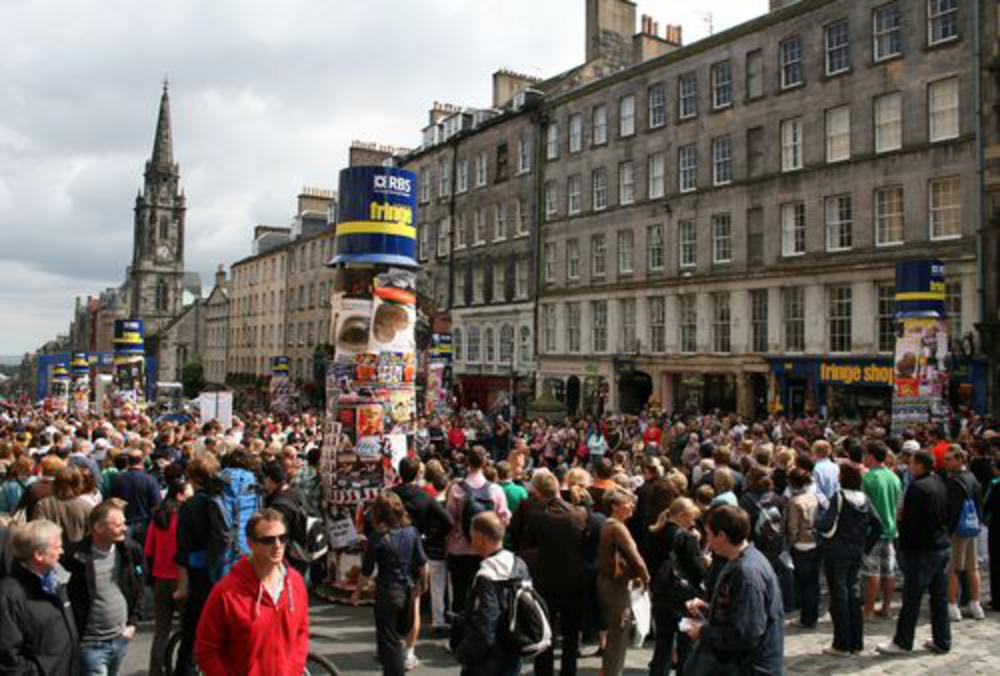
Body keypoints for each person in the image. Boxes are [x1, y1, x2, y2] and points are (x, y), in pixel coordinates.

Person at [194, 509, 309, 676]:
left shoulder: (295, 582)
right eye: (268, 540)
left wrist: (295, 669)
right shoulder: (225, 592)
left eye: (282, 538)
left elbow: (301, 632)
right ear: (250, 544)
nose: (278, 545)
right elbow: (206, 651)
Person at [682, 505, 784, 675]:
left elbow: (745, 633)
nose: (707, 539)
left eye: (709, 534)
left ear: (721, 536)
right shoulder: (739, 561)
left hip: (751, 667)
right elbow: (738, 611)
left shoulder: (747, 572)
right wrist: (708, 610)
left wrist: (702, 632)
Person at [510, 469, 588, 676]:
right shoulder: (580, 514)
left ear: (536, 492)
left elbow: (524, 544)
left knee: (544, 636)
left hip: (545, 582)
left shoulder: (536, 517)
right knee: (571, 638)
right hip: (573, 583)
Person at [878, 448, 952, 655]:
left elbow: (909, 521)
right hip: (940, 546)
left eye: (911, 463)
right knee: (939, 597)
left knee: (912, 598)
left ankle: (903, 641)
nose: (909, 466)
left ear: (920, 465)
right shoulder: (939, 483)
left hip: (922, 549)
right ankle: (942, 639)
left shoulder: (917, 488)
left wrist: (904, 544)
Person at [65, 498, 144, 676]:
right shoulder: (75, 557)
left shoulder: (130, 550)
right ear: (99, 528)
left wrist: (133, 623)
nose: (125, 528)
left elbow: (138, 586)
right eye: (118, 525)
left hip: (120, 639)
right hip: (90, 645)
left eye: (124, 523)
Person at [354, 491, 429, 674]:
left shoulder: (376, 539)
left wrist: (357, 592)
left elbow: (366, 571)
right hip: (408, 589)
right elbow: (423, 564)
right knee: (398, 636)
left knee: (390, 641)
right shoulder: (412, 532)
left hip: (387, 592)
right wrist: (423, 586)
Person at [814, 462, 883, 656]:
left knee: (839, 597)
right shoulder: (865, 499)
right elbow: (878, 526)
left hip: (837, 552)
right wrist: (865, 547)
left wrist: (816, 521)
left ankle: (842, 643)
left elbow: (826, 523)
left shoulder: (839, 497)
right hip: (855, 552)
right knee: (853, 595)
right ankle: (856, 642)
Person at [172, 453, 230, 676]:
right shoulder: (227, 499)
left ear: (193, 478)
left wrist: (182, 585)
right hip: (229, 568)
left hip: (201, 574)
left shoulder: (190, 506)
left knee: (192, 632)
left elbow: (183, 550)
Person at [0, 519, 80, 674]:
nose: (62, 552)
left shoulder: (56, 581)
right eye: (57, 547)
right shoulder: (9, 594)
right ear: (38, 554)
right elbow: (7, 656)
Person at [454, 511, 529, 676]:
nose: (471, 541)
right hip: (513, 651)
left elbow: (485, 625)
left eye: (472, 536)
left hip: (488, 661)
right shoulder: (519, 563)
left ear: (481, 538)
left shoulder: (486, 575)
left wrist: (464, 653)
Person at [391, 458, 454, 644]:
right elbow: (448, 522)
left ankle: (395, 641)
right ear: (418, 473)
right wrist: (429, 537)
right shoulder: (425, 497)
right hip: (416, 548)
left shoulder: (391, 494)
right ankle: (408, 648)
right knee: (414, 598)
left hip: (393, 548)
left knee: (394, 595)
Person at [445, 446, 510, 614]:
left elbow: (450, 520)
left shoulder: (456, 489)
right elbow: (504, 519)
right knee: (486, 598)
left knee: (460, 595)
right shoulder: (496, 490)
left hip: (460, 549)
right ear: (485, 463)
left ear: (467, 462)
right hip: (488, 551)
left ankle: (461, 633)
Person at [648, 497, 706, 676]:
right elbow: (698, 570)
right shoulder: (686, 537)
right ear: (681, 516)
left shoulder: (656, 531)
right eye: (691, 517)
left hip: (661, 595)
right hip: (684, 599)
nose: (693, 522)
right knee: (686, 647)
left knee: (663, 646)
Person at [596, 488, 650, 676]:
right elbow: (637, 559)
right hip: (616, 586)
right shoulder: (617, 527)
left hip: (607, 582)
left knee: (616, 631)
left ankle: (608, 671)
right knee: (619, 633)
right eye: (627, 502)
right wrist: (646, 578)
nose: (631, 505)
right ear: (615, 506)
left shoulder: (609, 524)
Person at [145, 479, 192, 676]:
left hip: (161, 578)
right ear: (180, 495)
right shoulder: (185, 518)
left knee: (161, 630)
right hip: (182, 577)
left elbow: (149, 549)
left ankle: (156, 670)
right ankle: (185, 667)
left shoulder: (158, 517)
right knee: (188, 629)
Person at [943, 446, 985, 620]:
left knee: (952, 568)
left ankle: (952, 606)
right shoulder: (972, 478)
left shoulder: (954, 481)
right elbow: (979, 504)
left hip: (957, 530)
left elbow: (951, 509)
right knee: (972, 567)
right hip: (972, 526)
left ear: (960, 459)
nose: (945, 462)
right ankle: (975, 604)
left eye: (949, 459)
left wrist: (947, 529)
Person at [861, 440, 901, 620]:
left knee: (872, 573)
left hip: (873, 531)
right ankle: (886, 608)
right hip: (891, 529)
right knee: (889, 571)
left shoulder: (868, 478)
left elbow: (862, 506)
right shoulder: (894, 477)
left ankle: (868, 611)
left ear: (871, 455)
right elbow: (899, 505)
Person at [784, 467, 820, 628]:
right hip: (815, 542)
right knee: (813, 581)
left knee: (804, 583)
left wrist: (789, 544)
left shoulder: (794, 501)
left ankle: (806, 617)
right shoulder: (813, 497)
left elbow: (792, 527)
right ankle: (813, 614)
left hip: (801, 544)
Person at [108, 449, 161, 547]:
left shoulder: (117, 479)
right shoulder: (150, 480)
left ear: (127, 462)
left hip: (123, 524)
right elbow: (156, 506)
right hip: (143, 525)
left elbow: (112, 502)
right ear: (142, 461)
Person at [34, 465, 94, 547]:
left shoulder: (43, 505)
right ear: (79, 484)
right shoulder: (87, 506)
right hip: (77, 554)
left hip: (51, 552)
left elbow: (38, 532)